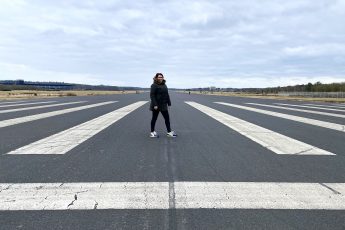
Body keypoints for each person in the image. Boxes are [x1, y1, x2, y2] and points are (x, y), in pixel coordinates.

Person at [150, 73, 177, 138]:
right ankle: (152, 132)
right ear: (156, 78)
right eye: (159, 77)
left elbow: (167, 94)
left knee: (167, 118)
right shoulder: (154, 85)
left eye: (161, 77)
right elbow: (152, 95)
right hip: (156, 105)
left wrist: (169, 102)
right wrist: (155, 104)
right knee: (154, 118)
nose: (160, 78)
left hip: (163, 105)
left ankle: (169, 132)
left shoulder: (164, 85)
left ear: (163, 78)